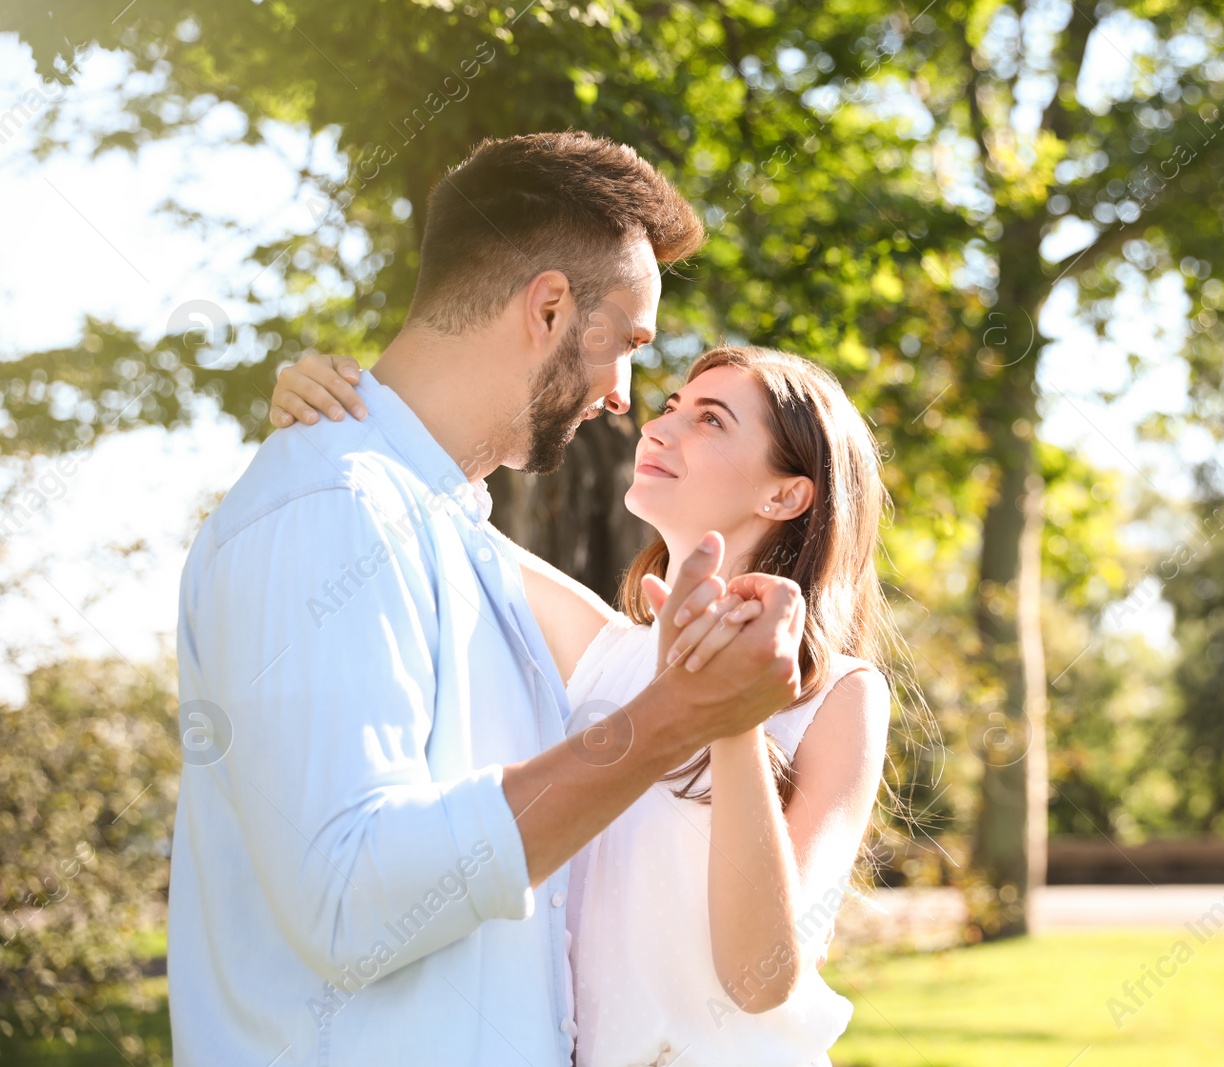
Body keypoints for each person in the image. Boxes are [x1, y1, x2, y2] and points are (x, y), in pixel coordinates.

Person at [170, 131, 810, 1067]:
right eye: (629, 345)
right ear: (549, 308)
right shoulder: (332, 510)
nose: (626, 397)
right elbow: (348, 898)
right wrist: (675, 719)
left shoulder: (445, 528)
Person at [271, 342, 896, 1066]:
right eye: (670, 409)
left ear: (785, 495)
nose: (658, 429)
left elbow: (761, 981)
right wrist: (339, 406)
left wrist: (731, 717)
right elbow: (433, 509)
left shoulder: (841, 694)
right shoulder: (602, 647)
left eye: (711, 420)